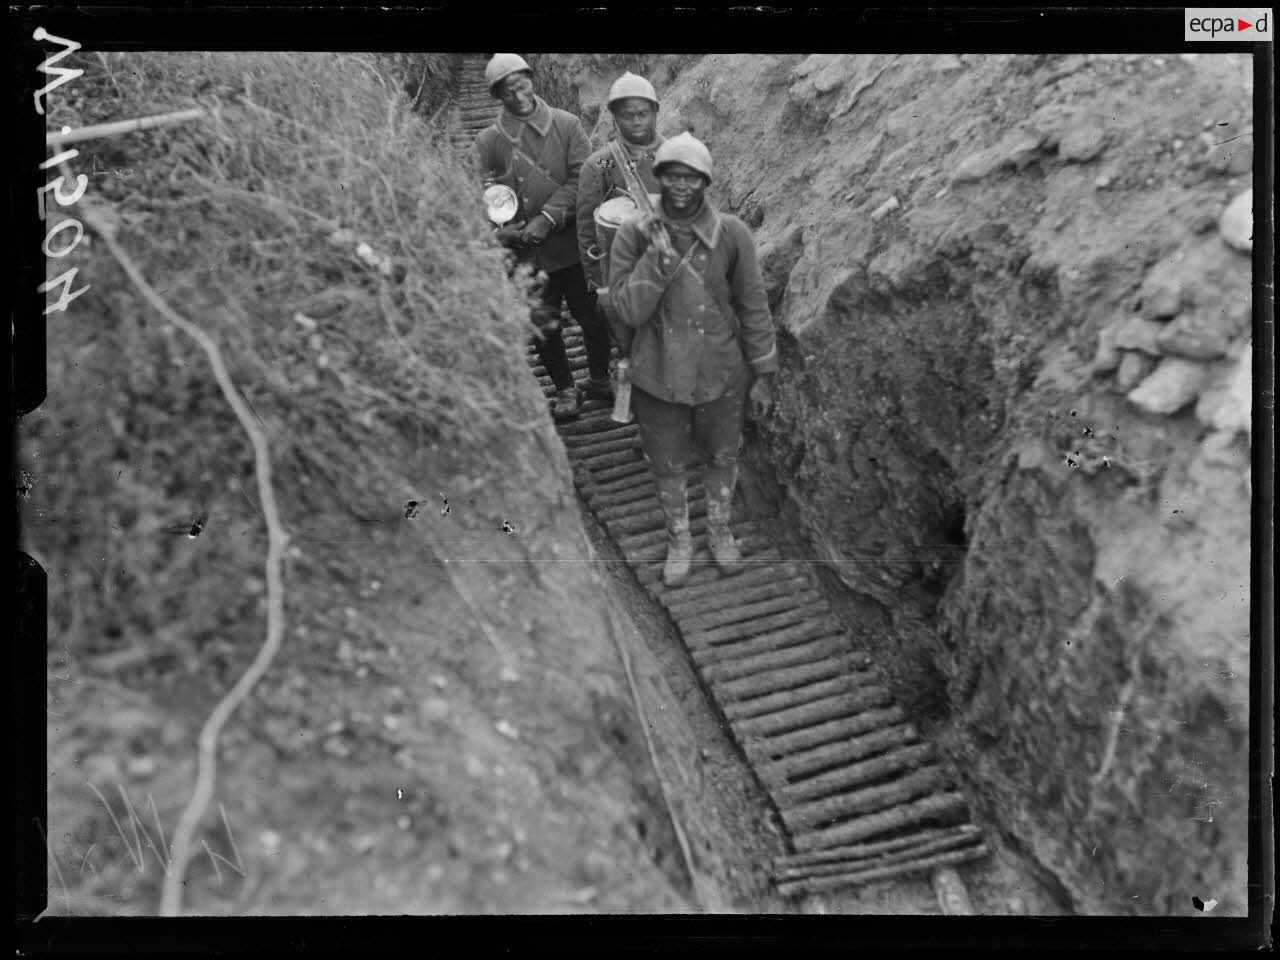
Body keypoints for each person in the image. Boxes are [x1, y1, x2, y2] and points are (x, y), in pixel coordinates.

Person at [606, 132, 778, 587]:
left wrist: (763, 373)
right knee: (668, 464)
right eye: (672, 176)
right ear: (659, 179)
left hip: (720, 371)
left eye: (691, 178)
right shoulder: (632, 234)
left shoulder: (733, 234)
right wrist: (657, 261)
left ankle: (720, 531)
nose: (681, 186)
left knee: (723, 454)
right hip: (657, 373)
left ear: (705, 182)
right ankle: (679, 539)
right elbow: (625, 311)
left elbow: (752, 304)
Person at [474, 53, 603, 421]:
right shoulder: (488, 142)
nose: (518, 96)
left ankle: (599, 378)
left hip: (573, 247)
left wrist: (547, 218)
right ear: (497, 96)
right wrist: (499, 232)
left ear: (532, 79)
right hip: (527, 257)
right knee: (543, 327)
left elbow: (586, 178)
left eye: (522, 84)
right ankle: (564, 390)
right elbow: (467, 193)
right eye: (507, 91)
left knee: (592, 317)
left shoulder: (567, 125)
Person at [576, 72, 665, 361]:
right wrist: (598, 284)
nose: (637, 121)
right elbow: (588, 229)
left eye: (643, 113)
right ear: (615, 118)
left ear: (654, 112)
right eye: (628, 115)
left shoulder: (673, 155)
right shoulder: (602, 162)